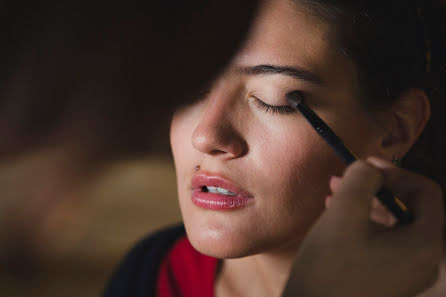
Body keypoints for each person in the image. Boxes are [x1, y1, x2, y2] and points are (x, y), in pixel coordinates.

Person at [104, 0, 446, 296]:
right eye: (192, 86)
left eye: (275, 100)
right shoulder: (152, 275)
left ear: (395, 130)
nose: (206, 135)